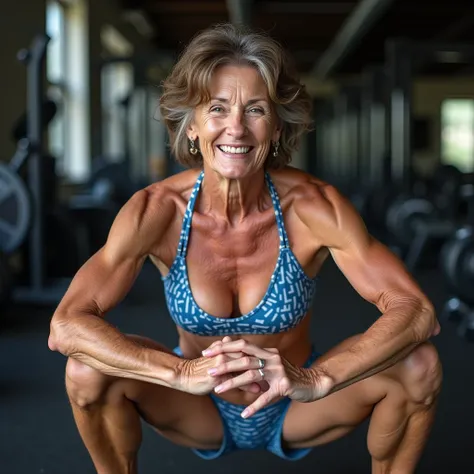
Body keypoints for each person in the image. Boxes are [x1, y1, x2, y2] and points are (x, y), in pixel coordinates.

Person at [48, 23, 442, 474]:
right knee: (86, 370)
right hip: (196, 405)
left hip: (294, 402)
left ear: (275, 127)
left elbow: (416, 311)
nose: (236, 127)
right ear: (192, 127)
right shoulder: (156, 211)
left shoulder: (314, 207)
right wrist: (177, 373)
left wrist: (316, 379)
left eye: (255, 109)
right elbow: (66, 327)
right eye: (217, 108)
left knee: (419, 364)